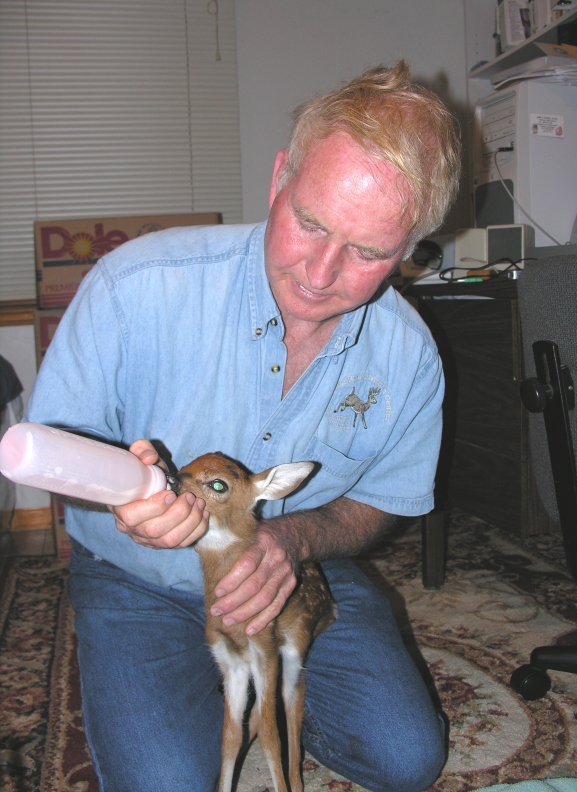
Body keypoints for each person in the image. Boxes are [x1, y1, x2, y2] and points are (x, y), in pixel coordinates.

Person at [26, 60, 461, 792]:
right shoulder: (134, 288)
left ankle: (254, 696)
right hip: (138, 579)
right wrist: (121, 494)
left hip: (298, 574)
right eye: (310, 223)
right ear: (279, 178)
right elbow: (51, 452)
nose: (320, 273)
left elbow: (383, 501)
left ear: (412, 245)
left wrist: (294, 540)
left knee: (407, 758)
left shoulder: (409, 357)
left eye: (368, 252)